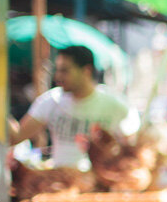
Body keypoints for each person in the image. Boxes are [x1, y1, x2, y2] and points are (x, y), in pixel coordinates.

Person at [10, 44, 138, 167]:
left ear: (86, 70)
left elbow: (132, 149)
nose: (58, 76)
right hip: (60, 182)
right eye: (58, 70)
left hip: (99, 184)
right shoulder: (51, 101)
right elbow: (17, 137)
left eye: (65, 71)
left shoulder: (114, 104)